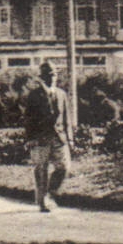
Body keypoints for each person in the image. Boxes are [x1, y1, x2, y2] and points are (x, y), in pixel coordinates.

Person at [22, 61, 72, 212]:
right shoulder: (34, 95)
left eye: (54, 75)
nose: (52, 78)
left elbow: (66, 118)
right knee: (41, 169)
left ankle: (51, 193)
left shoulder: (62, 94)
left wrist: (70, 139)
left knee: (64, 167)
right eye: (49, 75)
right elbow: (28, 119)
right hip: (40, 138)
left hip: (59, 137)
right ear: (42, 78)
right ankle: (42, 200)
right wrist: (30, 138)